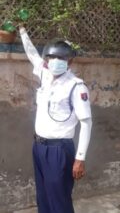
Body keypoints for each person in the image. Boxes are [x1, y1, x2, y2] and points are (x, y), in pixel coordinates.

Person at [19, 26, 92, 213]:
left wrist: (80, 159)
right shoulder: (45, 75)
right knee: (43, 196)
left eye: (61, 58)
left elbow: (86, 123)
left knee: (59, 198)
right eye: (52, 58)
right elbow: (32, 54)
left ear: (70, 61)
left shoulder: (76, 86)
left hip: (59, 150)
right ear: (47, 61)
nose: (56, 62)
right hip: (39, 147)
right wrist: (22, 31)